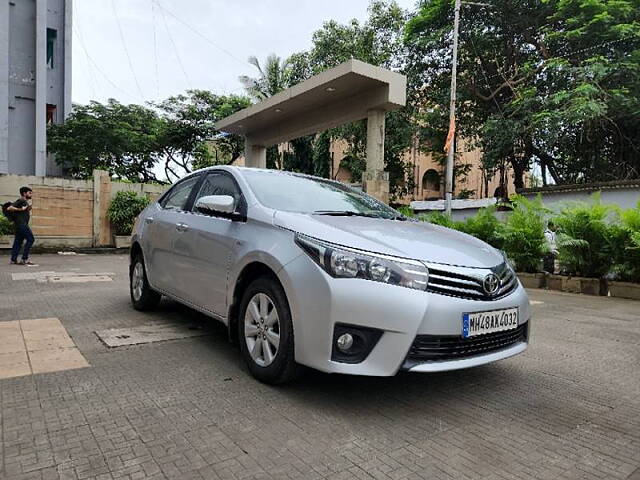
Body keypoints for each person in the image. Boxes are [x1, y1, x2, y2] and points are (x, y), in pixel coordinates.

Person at [7, 186, 35, 265]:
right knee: (31, 239)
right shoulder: (21, 200)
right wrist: (21, 209)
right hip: (22, 224)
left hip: (19, 225)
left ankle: (13, 260)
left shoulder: (24, 202)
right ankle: (24, 259)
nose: (31, 195)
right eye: (29, 193)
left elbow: (22, 211)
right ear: (24, 193)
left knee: (18, 242)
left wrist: (27, 209)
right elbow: (9, 208)